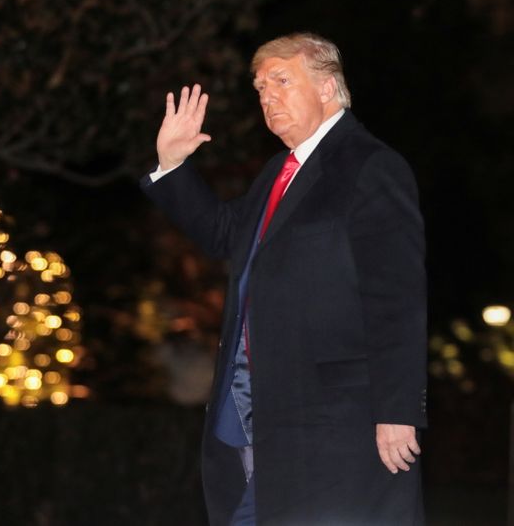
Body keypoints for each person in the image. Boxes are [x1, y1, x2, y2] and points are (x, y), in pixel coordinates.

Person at [141, 33, 427, 525]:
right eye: (259, 88)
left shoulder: (370, 166)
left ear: (328, 87)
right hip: (261, 415)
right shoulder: (279, 170)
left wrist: (398, 409)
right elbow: (224, 235)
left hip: (337, 422)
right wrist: (173, 164)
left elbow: (396, 298)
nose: (266, 97)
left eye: (280, 81)